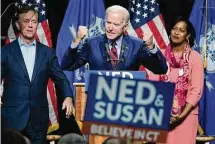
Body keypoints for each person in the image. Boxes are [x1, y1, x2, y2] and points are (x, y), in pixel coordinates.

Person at [1, 5, 74, 144]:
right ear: (18, 24)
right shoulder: (5, 52)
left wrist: (68, 97)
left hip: (38, 119)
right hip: (12, 117)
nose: (30, 26)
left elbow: (60, 78)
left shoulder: (47, 53)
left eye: (34, 22)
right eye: (26, 21)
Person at [61, 5, 167, 74]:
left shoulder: (137, 45)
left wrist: (151, 47)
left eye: (116, 24)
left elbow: (161, 69)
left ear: (125, 27)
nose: (110, 28)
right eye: (108, 22)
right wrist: (77, 40)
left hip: (125, 102)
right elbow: (67, 66)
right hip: (98, 101)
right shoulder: (91, 43)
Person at [148, 17, 204, 144]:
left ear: (187, 35)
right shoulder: (160, 55)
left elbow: (196, 90)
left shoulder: (194, 57)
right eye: (174, 29)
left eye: (181, 30)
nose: (176, 33)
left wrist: (181, 115)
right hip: (161, 116)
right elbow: (153, 85)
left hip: (186, 116)